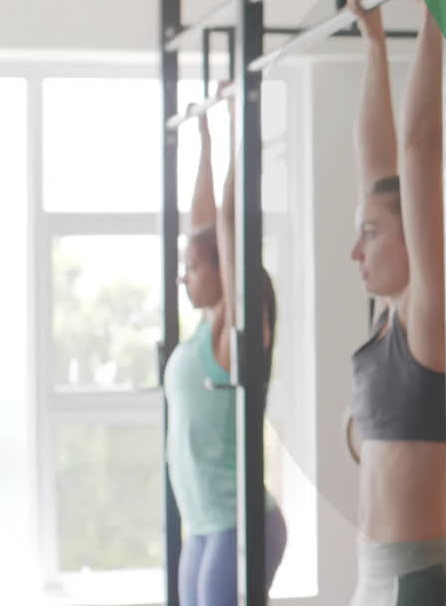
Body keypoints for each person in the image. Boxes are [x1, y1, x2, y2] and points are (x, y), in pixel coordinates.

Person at [342, 0, 446, 606]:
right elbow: (376, 164)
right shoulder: (386, 320)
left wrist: (433, 16)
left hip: (415, 580)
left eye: (372, 236)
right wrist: (375, 46)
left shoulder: (427, 317)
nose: (356, 251)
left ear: (414, 234)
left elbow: (416, 149)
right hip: (373, 574)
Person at [166, 95, 287, 606]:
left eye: (192, 268)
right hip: (202, 526)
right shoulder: (205, 328)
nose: (183, 276)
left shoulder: (234, 330)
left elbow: (228, 224)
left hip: (238, 524)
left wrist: (240, 123)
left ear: (223, 269)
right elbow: (203, 223)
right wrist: (206, 140)